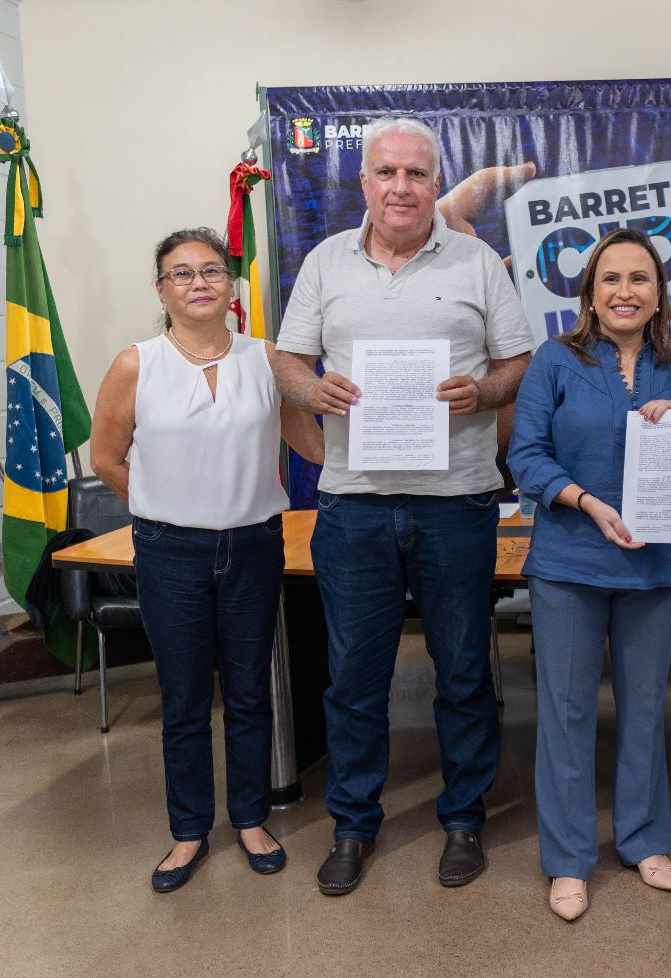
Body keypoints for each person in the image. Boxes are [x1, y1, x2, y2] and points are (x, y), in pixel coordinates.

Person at [273, 117, 533, 896]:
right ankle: (354, 824)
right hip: (354, 506)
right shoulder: (326, 263)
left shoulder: (478, 261)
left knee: (460, 670)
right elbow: (287, 359)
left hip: (456, 501)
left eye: (417, 174)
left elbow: (519, 359)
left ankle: (462, 819)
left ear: (434, 180)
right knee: (354, 676)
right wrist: (311, 389)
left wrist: (483, 390)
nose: (401, 187)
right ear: (364, 183)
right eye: (386, 173)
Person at [89, 227, 324, 892]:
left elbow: (310, 446)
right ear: (162, 290)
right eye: (182, 274)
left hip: (253, 544)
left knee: (250, 693)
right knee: (187, 698)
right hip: (170, 552)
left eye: (212, 271)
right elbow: (105, 458)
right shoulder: (136, 364)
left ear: (232, 284)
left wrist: (391, 438)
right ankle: (189, 831)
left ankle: (250, 818)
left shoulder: (268, 358)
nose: (199, 283)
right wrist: (163, 503)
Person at [507, 228, 671, 921]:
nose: (625, 291)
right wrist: (587, 503)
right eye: (611, 279)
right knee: (566, 710)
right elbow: (526, 457)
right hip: (569, 562)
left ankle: (644, 840)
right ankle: (567, 859)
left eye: (640, 279)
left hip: (655, 563)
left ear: (658, 296)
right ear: (589, 292)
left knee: (645, 707)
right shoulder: (555, 361)